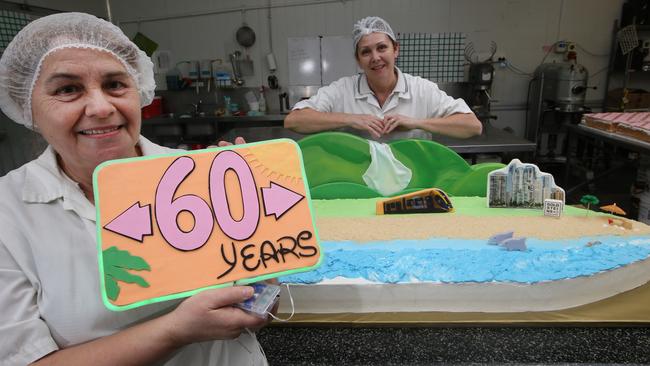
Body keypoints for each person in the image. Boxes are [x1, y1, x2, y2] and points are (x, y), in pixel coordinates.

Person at [0, 13, 271, 365]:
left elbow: (263, 295)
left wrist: (259, 243)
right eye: (68, 89)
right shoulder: (9, 210)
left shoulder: (201, 175)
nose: (101, 107)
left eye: (115, 84)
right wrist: (175, 329)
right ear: (28, 108)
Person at [284, 16, 482, 142]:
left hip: (414, 182)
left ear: (396, 50)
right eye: (366, 52)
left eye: (382, 47)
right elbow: (294, 121)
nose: (375, 58)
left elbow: (472, 126)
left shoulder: (422, 89)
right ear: (358, 60)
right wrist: (350, 119)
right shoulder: (342, 90)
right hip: (359, 184)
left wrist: (416, 123)